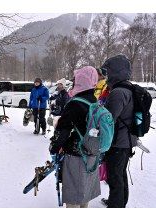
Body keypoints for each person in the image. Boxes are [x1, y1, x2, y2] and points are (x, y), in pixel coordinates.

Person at [49, 66, 100, 208]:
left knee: (73, 197)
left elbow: (63, 130)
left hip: (76, 155)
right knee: (85, 192)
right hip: (93, 153)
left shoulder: (75, 103)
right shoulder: (94, 101)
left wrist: (54, 147)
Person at [101, 54, 137, 208]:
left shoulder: (118, 92)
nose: (106, 75)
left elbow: (108, 119)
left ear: (115, 71)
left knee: (115, 176)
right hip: (127, 140)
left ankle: (116, 207)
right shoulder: (127, 88)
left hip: (118, 142)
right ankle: (119, 202)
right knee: (120, 174)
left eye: (108, 71)